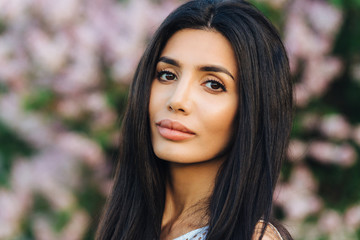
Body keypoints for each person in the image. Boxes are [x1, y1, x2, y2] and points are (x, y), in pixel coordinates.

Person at [96, 0, 293, 239]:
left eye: (213, 84)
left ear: (252, 109)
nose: (177, 100)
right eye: (167, 75)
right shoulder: (127, 224)